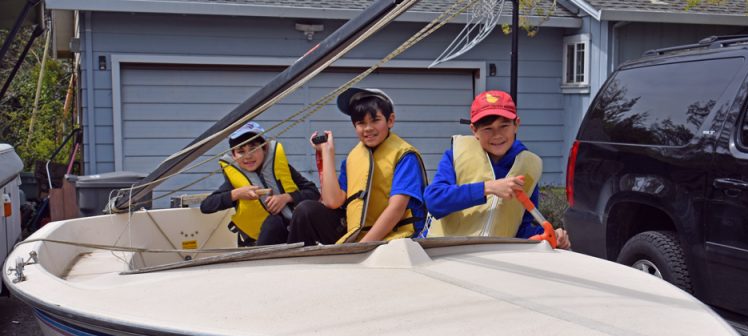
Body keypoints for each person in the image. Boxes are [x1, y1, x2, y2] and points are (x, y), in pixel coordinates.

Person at [424, 90, 570, 249]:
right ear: (474, 130)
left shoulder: (529, 167)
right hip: (448, 254)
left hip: (495, 260)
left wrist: (550, 235)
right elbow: (434, 201)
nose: (497, 135)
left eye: (504, 126)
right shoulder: (456, 156)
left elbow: (520, 228)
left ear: (516, 124)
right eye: (488, 128)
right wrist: (488, 188)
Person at [287, 88, 427, 246]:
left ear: (390, 120)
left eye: (375, 120)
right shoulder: (352, 159)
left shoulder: (404, 155)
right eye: (361, 123)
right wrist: (327, 152)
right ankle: (297, 265)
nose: (368, 128)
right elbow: (332, 201)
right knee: (306, 210)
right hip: (356, 235)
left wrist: (361, 246)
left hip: (395, 236)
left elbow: (397, 208)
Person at [200, 122, 320, 246]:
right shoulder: (234, 182)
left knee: (303, 210)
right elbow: (206, 206)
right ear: (234, 156)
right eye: (241, 151)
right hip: (260, 241)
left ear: (265, 148)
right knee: (273, 222)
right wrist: (236, 194)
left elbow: (313, 193)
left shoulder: (282, 168)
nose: (248, 156)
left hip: (294, 235)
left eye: (253, 149)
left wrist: (286, 197)